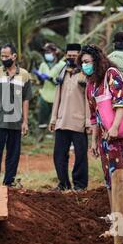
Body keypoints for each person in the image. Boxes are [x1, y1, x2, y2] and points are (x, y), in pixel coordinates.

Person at [81, 44, 123, 206]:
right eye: (83, 62)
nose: (84, 65)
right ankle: (116, 213)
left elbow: (121, 101)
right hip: (104, 138)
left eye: (87, 61)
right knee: (109, 175)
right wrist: (93, 141)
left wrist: (114, 127)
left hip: (120, 135)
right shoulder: (91, 84)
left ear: (97, 61)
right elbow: (94, 116)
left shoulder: (111, 75)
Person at [0, 43, 31, 187]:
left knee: (13, 154)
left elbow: (26, 99)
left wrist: (25, 121)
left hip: (16, 121)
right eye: (2, 56)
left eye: (7, 56)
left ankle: (9, 182)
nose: (4, 58)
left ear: (14, 56)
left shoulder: (24, 75)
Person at [49, 43, 89, 191]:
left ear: (80, 56)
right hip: (61, 120)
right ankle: (63, 183)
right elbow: (57, 97)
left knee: (80, 155)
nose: (72, 57)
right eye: (69, 55)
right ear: (66, 55)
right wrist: (53, 119)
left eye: (75, 55)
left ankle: (80, 185)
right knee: (58, 155)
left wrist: (88, 122)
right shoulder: (62, 72)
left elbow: (88, 99)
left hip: (79, 121)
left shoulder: (85, 74)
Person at [33, 43, 65, 141]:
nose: (46, 54)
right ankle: (40, 137)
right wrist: (39, 76)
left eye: (49, 52)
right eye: (45, 52)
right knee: (42, 116)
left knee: (58, 118)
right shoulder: (43, 65)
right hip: (45, 94)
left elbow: (62, 81)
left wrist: (51, 79)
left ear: (55, 52)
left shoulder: (62, 65)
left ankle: (58, 138)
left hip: (57, 96)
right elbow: (40, 81)